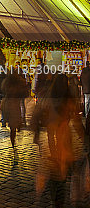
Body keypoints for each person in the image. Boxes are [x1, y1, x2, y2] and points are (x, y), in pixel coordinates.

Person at [31, 73, 84, 207]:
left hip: (51, 141)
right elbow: (77, 122)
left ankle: (55, 197)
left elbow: (36, 115)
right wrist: (84, 139)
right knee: (62, 174)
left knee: (55, 174)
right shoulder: (68, 98)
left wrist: (36, 134)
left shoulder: (48, 97)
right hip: (64, 140)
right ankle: (58, 199)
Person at [2, 68, 27, 147]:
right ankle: (17, 126)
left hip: (9, 103)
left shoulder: (6, 81)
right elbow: (24, 92)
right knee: (16, 119)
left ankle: (12, 139)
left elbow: (2, 89)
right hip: (16, 103)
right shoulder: (18, 81)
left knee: (12, 124)